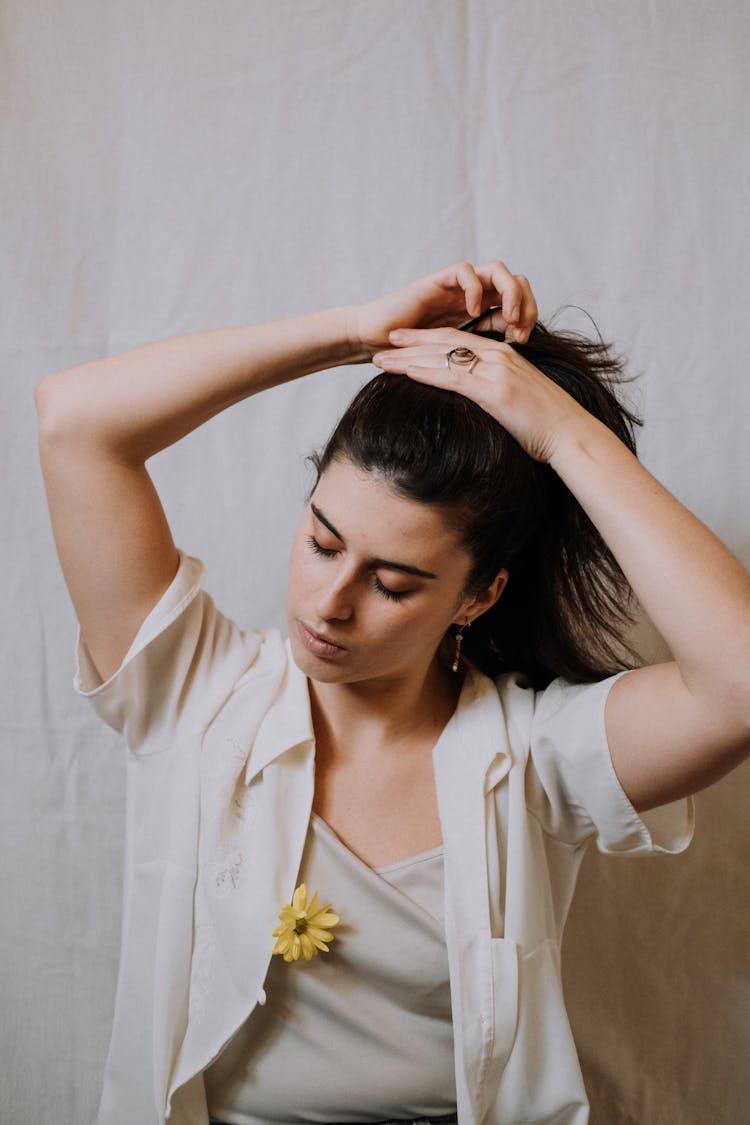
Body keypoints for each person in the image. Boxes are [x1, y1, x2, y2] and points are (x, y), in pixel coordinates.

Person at [35, 260, 750, 1125]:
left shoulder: (534, 753)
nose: (328, 602)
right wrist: (356, 334)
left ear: (478, 595)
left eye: (395, 582)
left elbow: (739, 686)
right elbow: (74, 421)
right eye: (322, 541)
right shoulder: (197, 690)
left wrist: (562, 434)